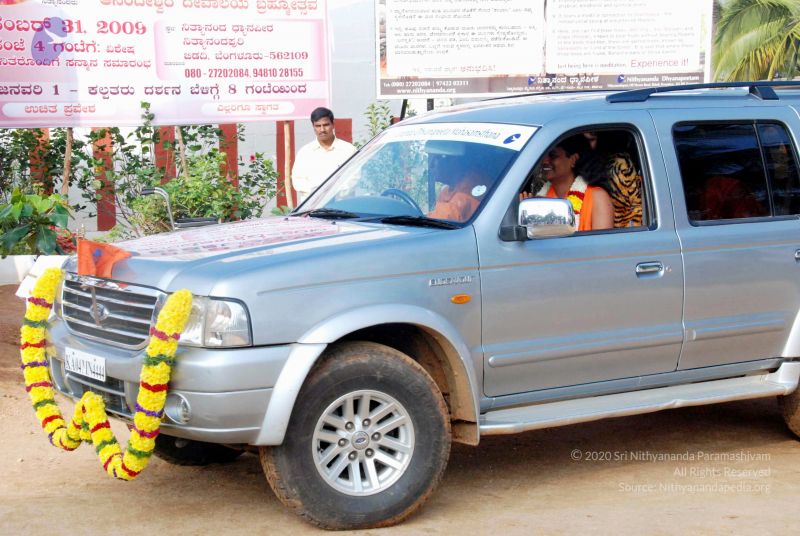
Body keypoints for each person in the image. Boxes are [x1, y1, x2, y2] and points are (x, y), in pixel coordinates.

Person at [521, 135, 614, 231]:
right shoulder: (541, 199)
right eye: (543, 155)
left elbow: (602, 240)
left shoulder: (597, 197)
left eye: (552, 155)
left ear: (573, 159)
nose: (544, 161)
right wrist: (527, 217)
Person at [291, 107, 356, 202]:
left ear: (333, 124)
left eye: (326, 125)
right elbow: (298, 180)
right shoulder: (305, 152)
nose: (322, 129)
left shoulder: (348, 150)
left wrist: (333, 194)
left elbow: (354, 177)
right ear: (313, 127)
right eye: (318, 126)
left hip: (342, 205)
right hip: (312, 205)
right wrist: (317, 192)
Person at [427, 143, 493, 223]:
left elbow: (439, 221)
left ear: (453, 161)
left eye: (436, 158)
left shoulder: (471, 186)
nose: (431, 165)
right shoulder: (447, 191)